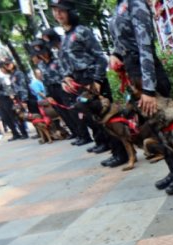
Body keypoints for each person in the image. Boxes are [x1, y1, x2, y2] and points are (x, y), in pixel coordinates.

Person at [108, 0, 173, 194]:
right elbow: (122, 40)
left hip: (149, 77)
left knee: (167, 130)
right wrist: (116, 54)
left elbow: (145, 46)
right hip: (134, 75)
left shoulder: (136, 3)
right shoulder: (119, 6)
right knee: (157, 131)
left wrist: (149, 90)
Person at [50, 0, 127, 167]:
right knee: (95, 119)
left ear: (70, 11)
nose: (58, 14)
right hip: (79, 84)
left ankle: (122, 153)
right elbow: (65, 63)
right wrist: (66, 78)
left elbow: (100, 57)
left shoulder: (82, 31)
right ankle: (114, 151)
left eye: (61, 10)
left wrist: (98, 80)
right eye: (55, 11)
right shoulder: (65, 38)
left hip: (93, 81)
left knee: (109, 117)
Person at [31, 38, 79, 140]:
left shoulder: (57, 59)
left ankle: (83, 134)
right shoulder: (41, 65)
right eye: (39, 54)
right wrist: (48, 95)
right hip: (52, 90)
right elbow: (45, 81)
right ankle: (74, 132)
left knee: (71, 111)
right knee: (62, 113)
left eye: (43, 52)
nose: (42, 55)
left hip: (62, 87)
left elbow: (66, 73)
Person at [0, 58, 29, 140]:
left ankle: (23, 132)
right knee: (5, 117)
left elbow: (8, 88)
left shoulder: (4, 77)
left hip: (8, 98)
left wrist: (13, 97)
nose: (1, 69)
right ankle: (15, 133)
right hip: (1, 100)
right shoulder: (7, 75)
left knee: (15, 116)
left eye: (2, 67)